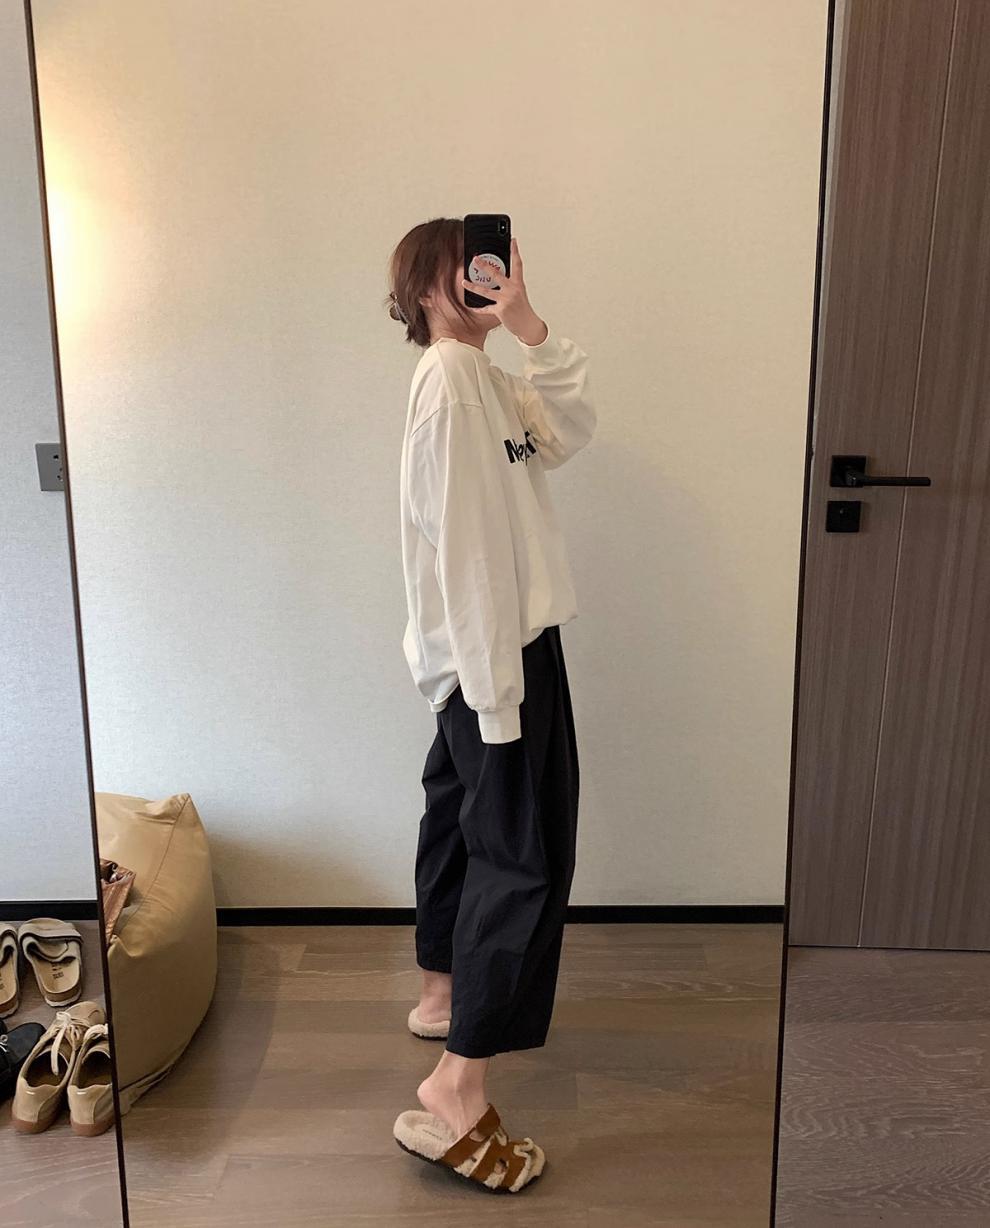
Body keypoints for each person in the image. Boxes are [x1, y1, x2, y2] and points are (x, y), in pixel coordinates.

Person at [387, 217, 596, 1193]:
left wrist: (529, 326)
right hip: (496, 658)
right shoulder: (452, 382)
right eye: (466, 271)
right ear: (428, 289)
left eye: (494, 266)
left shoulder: (482, 377)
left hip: (484, 655)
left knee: (463, 820)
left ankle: (443, 995)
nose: (485, 280)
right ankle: (457, 1084)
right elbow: (465, 544)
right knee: (523, 856)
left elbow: (568, 431)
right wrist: (497, 696)